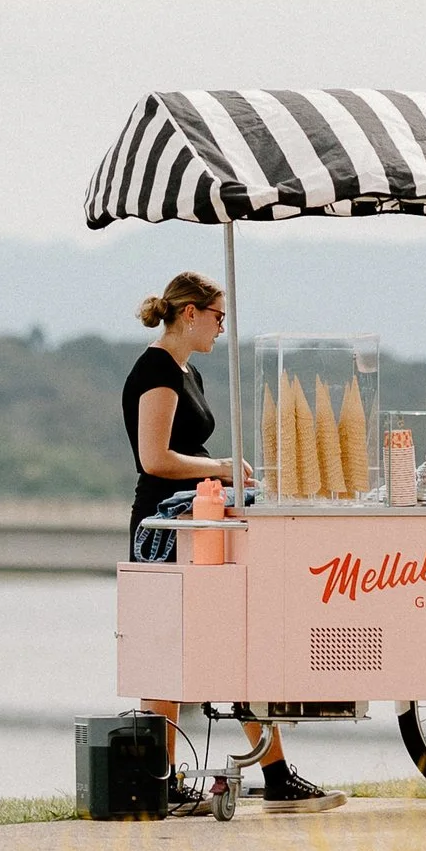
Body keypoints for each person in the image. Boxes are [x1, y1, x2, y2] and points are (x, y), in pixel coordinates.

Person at [122, 271, 343, 811]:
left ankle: (270, 772)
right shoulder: (157, 370)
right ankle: (168, 780)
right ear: (190, 313)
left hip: (195, 520)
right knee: (172, 653)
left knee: (233, 639)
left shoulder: (186, 370)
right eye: (218, 317)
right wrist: (221, 467)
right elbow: (155, 459)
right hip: (165, 526)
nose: (222, 328)